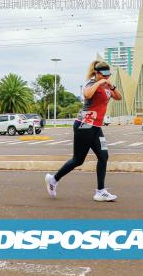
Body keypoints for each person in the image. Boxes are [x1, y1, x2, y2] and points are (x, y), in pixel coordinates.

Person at [46, 61, 122, 202]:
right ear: (97, 73)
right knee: (78, 160)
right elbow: (87, 95)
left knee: (104, 156)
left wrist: (112, 86)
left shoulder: (107, 86)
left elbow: (119, 97)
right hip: (84, 124)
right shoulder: (90, 83)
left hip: (96, 127)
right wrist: (98, 83)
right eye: (103, 75)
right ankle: (53, 179)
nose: (106, 77)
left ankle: (100, 191)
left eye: (108, 75)